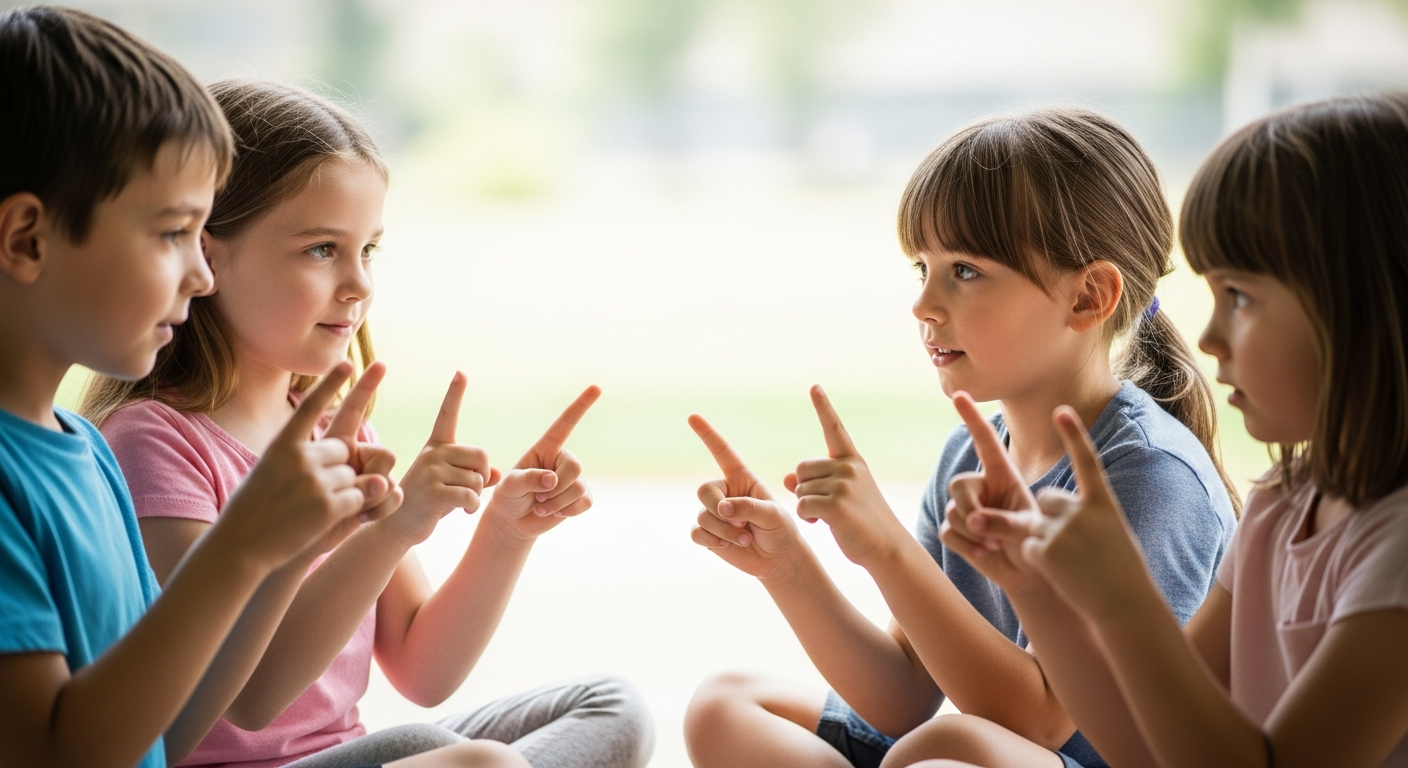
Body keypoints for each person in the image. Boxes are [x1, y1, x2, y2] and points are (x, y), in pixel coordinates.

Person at [84, 79, 653, 768]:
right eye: (322, 249)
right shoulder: (154, 442)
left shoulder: (332, 429)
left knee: (610, 706)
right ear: (207, 253)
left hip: (348, 756)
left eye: (369, 250)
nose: (359, 284)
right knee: (457, 757)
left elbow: (422, 667)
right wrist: (393, 526)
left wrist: (503, 533)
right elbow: (249, 697)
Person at [682, 108, 1238, 768]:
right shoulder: (968, 454)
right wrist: (788, 567)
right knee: (725, 705)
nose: (924, 305)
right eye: (923, 268)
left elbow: (1042, 722)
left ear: (1089, 297)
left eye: (966, 271)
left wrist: (887, 547)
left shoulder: (1149, 475)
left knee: (950, 748)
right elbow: (904, 696)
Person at [940, 92, 1408, 768]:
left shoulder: (1395, 549)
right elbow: (1143, 747)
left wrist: (1123, 595)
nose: (1211, 337)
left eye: (1241, 297)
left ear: (1363, 304)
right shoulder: (1282, 504)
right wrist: (1033, 587)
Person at [0, 8, 390, 768]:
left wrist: (281, 549)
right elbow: (59, 752)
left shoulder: (85, 452)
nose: (202, 274)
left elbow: (169, 736)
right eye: (173, 233)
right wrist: (244, 545)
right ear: (27, 240)